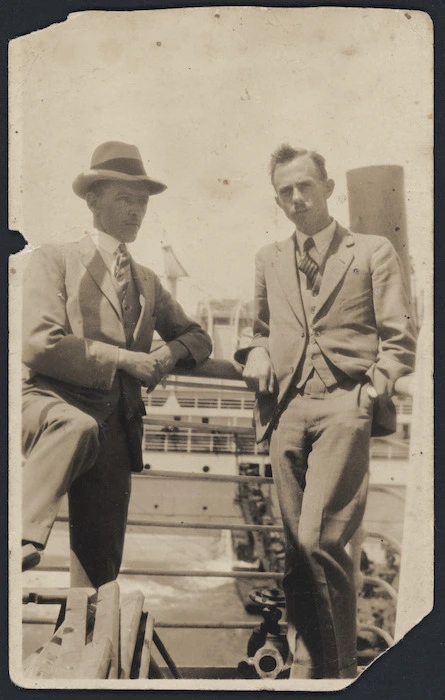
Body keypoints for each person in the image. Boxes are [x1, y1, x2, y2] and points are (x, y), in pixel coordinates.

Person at [234, 145, 416, 679]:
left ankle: (336, 675)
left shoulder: (372, 250)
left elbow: (399, 339)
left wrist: (368, 395)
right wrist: (257, 351)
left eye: (305, 186)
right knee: (295, 551)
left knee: (321, 540)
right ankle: (311, 670)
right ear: (277, 199)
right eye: (285, 191)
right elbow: (258, 329)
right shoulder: (268, 258)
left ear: (328, 188)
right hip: (286, 409)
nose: (296, 198)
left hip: (344, 406)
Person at [21, 141, 212, 586]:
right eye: (125, 198)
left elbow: (197, 336)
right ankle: (20, 540)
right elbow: (38, 343)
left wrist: (167, 355)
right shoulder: (55, 259)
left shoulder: (146, 280)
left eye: (142, 202)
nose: (137, 212)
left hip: (117, 431)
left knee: (99, 575)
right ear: (92, 200)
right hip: (55, 413)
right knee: (76, 427)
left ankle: (77, 642)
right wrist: (128, 359)